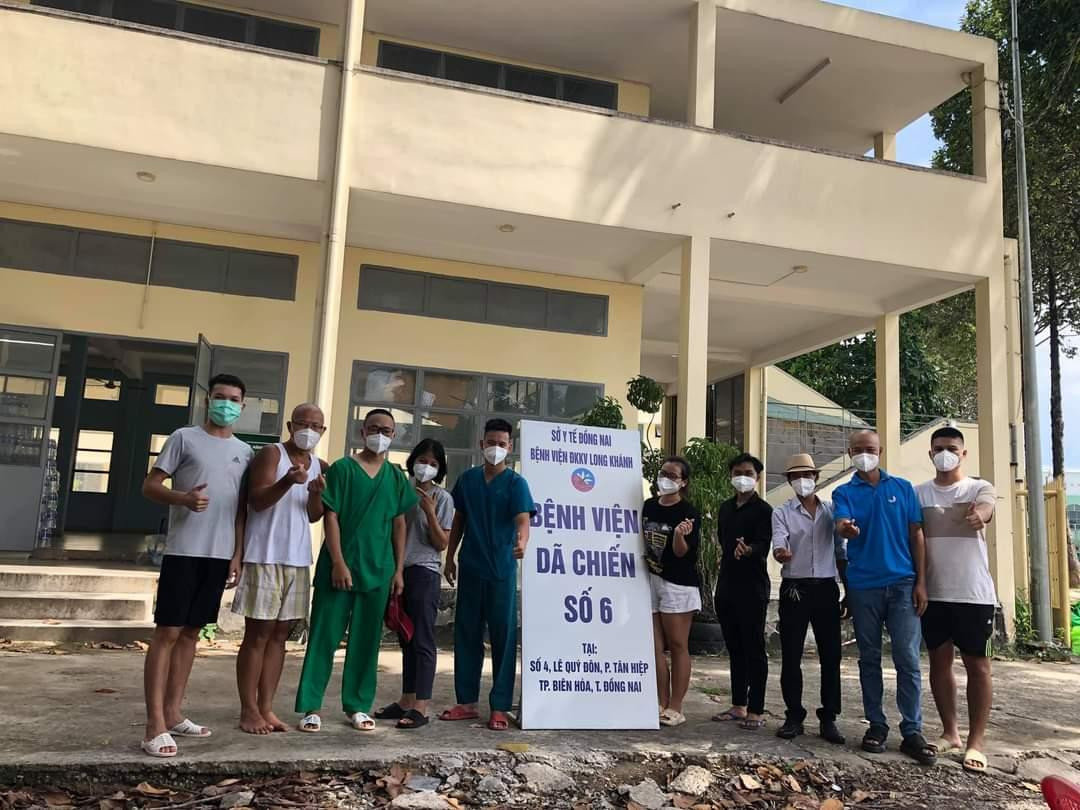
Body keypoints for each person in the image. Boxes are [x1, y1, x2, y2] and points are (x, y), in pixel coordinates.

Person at [139, 373, 253, 758]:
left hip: (219, 555)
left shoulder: (245, 452)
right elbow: (150, 486)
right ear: (208, 399)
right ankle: (153, 724)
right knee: (168, 632)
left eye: (233, 399)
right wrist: (183, 499)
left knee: (191, 634)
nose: (226, 404)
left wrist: (237, 553)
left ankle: (173, 713)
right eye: (220, 397)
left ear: (243, 405)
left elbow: (241, 509)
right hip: (184, 551)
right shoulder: (183, 438)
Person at [294, 408, 417, 733]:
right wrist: (338, 561)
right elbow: (330, 516)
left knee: (367, 641)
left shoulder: (395, 477)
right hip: (339, 569)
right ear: (363, 432)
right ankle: (311, 707)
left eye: (386, 430)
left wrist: (398, 570)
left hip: (379, 569)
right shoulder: (343, 469)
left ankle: (358, 705)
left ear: (394, 435)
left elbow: (399, 524)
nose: (380, 435)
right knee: (323, 637)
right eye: (374, 428)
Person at [834, 429, 936, 765]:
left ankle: (912, 730)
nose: (864, 454)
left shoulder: (903, 489)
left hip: (903, 583)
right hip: (863, 586)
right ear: (851, 453)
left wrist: (921, 582)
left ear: (880, 451)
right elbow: (841, 524)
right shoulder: (844, 492)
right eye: (858, 449)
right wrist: (846, 529)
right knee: (869, 658)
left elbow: (916, 535)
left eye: (870, 448)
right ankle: (876, 724)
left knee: (907, 658)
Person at [232, 403, 328, 735]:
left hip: (297, 557)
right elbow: (256, 501)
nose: (308, 430)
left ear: (323, 432)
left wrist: (314, 493)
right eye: (303, 423)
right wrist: (287, 481)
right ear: (290, 425)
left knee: (279, 635)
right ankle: (248, 710)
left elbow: (313, 515)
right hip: (265, 554)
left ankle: (266, 708)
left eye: (315, 426)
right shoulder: (272, 455)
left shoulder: (320, 466)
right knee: (257, 633)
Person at [440, 418, 535, 731]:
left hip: (502, 571)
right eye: (491, 442)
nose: (496, 448)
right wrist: (450, 557)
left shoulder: (516, 484)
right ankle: (466, 702)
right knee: (466, 633)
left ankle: (500, 706)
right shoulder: (468, 480)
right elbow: (459, 520)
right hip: (471, 567)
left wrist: (522, 542)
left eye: (502, 444)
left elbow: (523, 519)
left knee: (503, 637)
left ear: (510, 447)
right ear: (482, 444)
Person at [916, 426, 997, 774]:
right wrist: (919, 583)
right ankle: (950, 732)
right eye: (938, 448)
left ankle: (976, 742)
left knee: (978, 666)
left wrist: (980, 515)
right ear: (930, 454)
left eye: (951, 448)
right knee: (939, 662)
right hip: (933, 592)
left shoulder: (978, 487)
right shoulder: (918, 493)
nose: (944, 454)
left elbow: (987, 508)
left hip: (973, 594)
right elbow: (914, 536)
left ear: (963, 453)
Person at [375, 439, 455, 730]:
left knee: (422, 638)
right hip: (397, 570)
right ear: (412, 462)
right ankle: (406, 699)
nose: (426, 467)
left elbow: (441, 543)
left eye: (433, 463)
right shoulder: (401, 490)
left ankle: (422, 705)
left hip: (424, 572)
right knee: (405, 637)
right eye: (422, 461)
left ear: (440, 469)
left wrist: (430, 512)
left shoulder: (442, 498)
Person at [771, 453, 847, 744]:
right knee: (791, 653)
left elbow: (840, 551)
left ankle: (829, 717)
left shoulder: (831, 511)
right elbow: (779, 541)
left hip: (826, 587)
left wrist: (848, 590)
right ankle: (794, 715)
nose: (803, 481)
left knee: (831, 655)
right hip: (795, 587)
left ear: (816, 477)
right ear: (790, 480)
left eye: (807, 475)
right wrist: (781, 552)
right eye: (796, 476)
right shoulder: (782, 512)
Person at [712, 453, 773, 731]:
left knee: (754, 648)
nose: (742, 477)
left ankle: (756, 709)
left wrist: (748, 550)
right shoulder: (725, 508)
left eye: (748, 473)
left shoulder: (764, 511)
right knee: (734, 647)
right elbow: (722, 541)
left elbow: (764, 544)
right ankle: (739, 705)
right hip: (727, 585)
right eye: (738, 472)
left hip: (753, 586)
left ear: (757, 477)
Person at [643, 456, 702, 728]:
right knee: (654, 646)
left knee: (677, 644)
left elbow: (682, 554)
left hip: (678, 584)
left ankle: (676, 706)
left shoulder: (688, 512)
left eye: (672, 475)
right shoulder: (649, 506)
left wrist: (679, 535)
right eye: (663, 473)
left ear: (683, 482)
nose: (665, 479)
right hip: (651, 579)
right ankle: (660, 701)